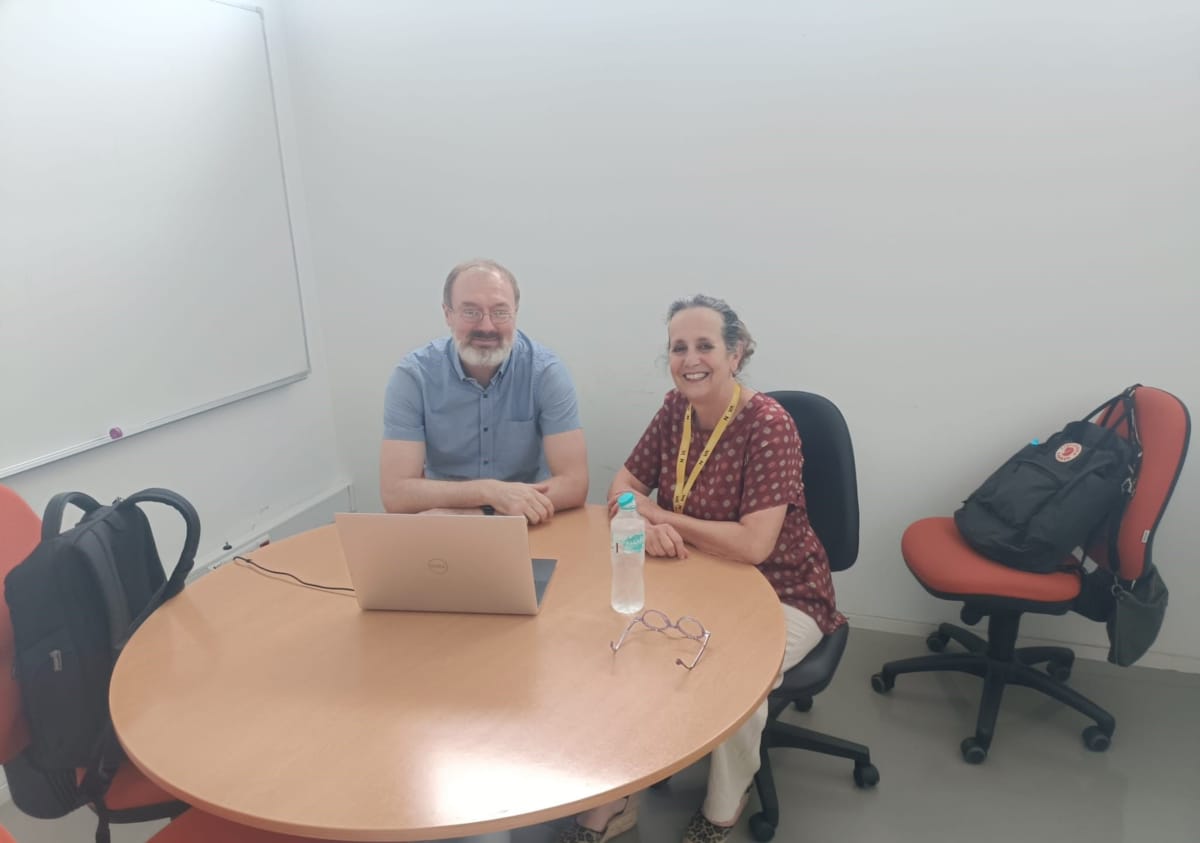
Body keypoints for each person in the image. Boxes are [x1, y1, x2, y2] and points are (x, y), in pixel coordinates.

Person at [555, 295, 844, 843]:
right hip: (695, 573)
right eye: (678, 347)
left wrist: (662, 517)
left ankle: (723, 806)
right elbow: (622, 488)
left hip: (783, 590)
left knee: (735, 677)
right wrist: (641, 518)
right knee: (622, 646)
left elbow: (755, 544)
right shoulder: (675, 410)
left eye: (705, 345)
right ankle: (617, 798)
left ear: (736, 354)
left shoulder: (769, 425)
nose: (690, 359)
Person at [380, 259, 588, 521]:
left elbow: (574, 484)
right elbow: (395, 494)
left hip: (526, 522)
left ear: (515, 313)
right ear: (448, 314)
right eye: (471, 312)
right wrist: (489, 492)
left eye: (500, 312)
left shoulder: (545, 372)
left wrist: (484, 512)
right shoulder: (413, 377)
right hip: (443, 523)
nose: (487, 326)